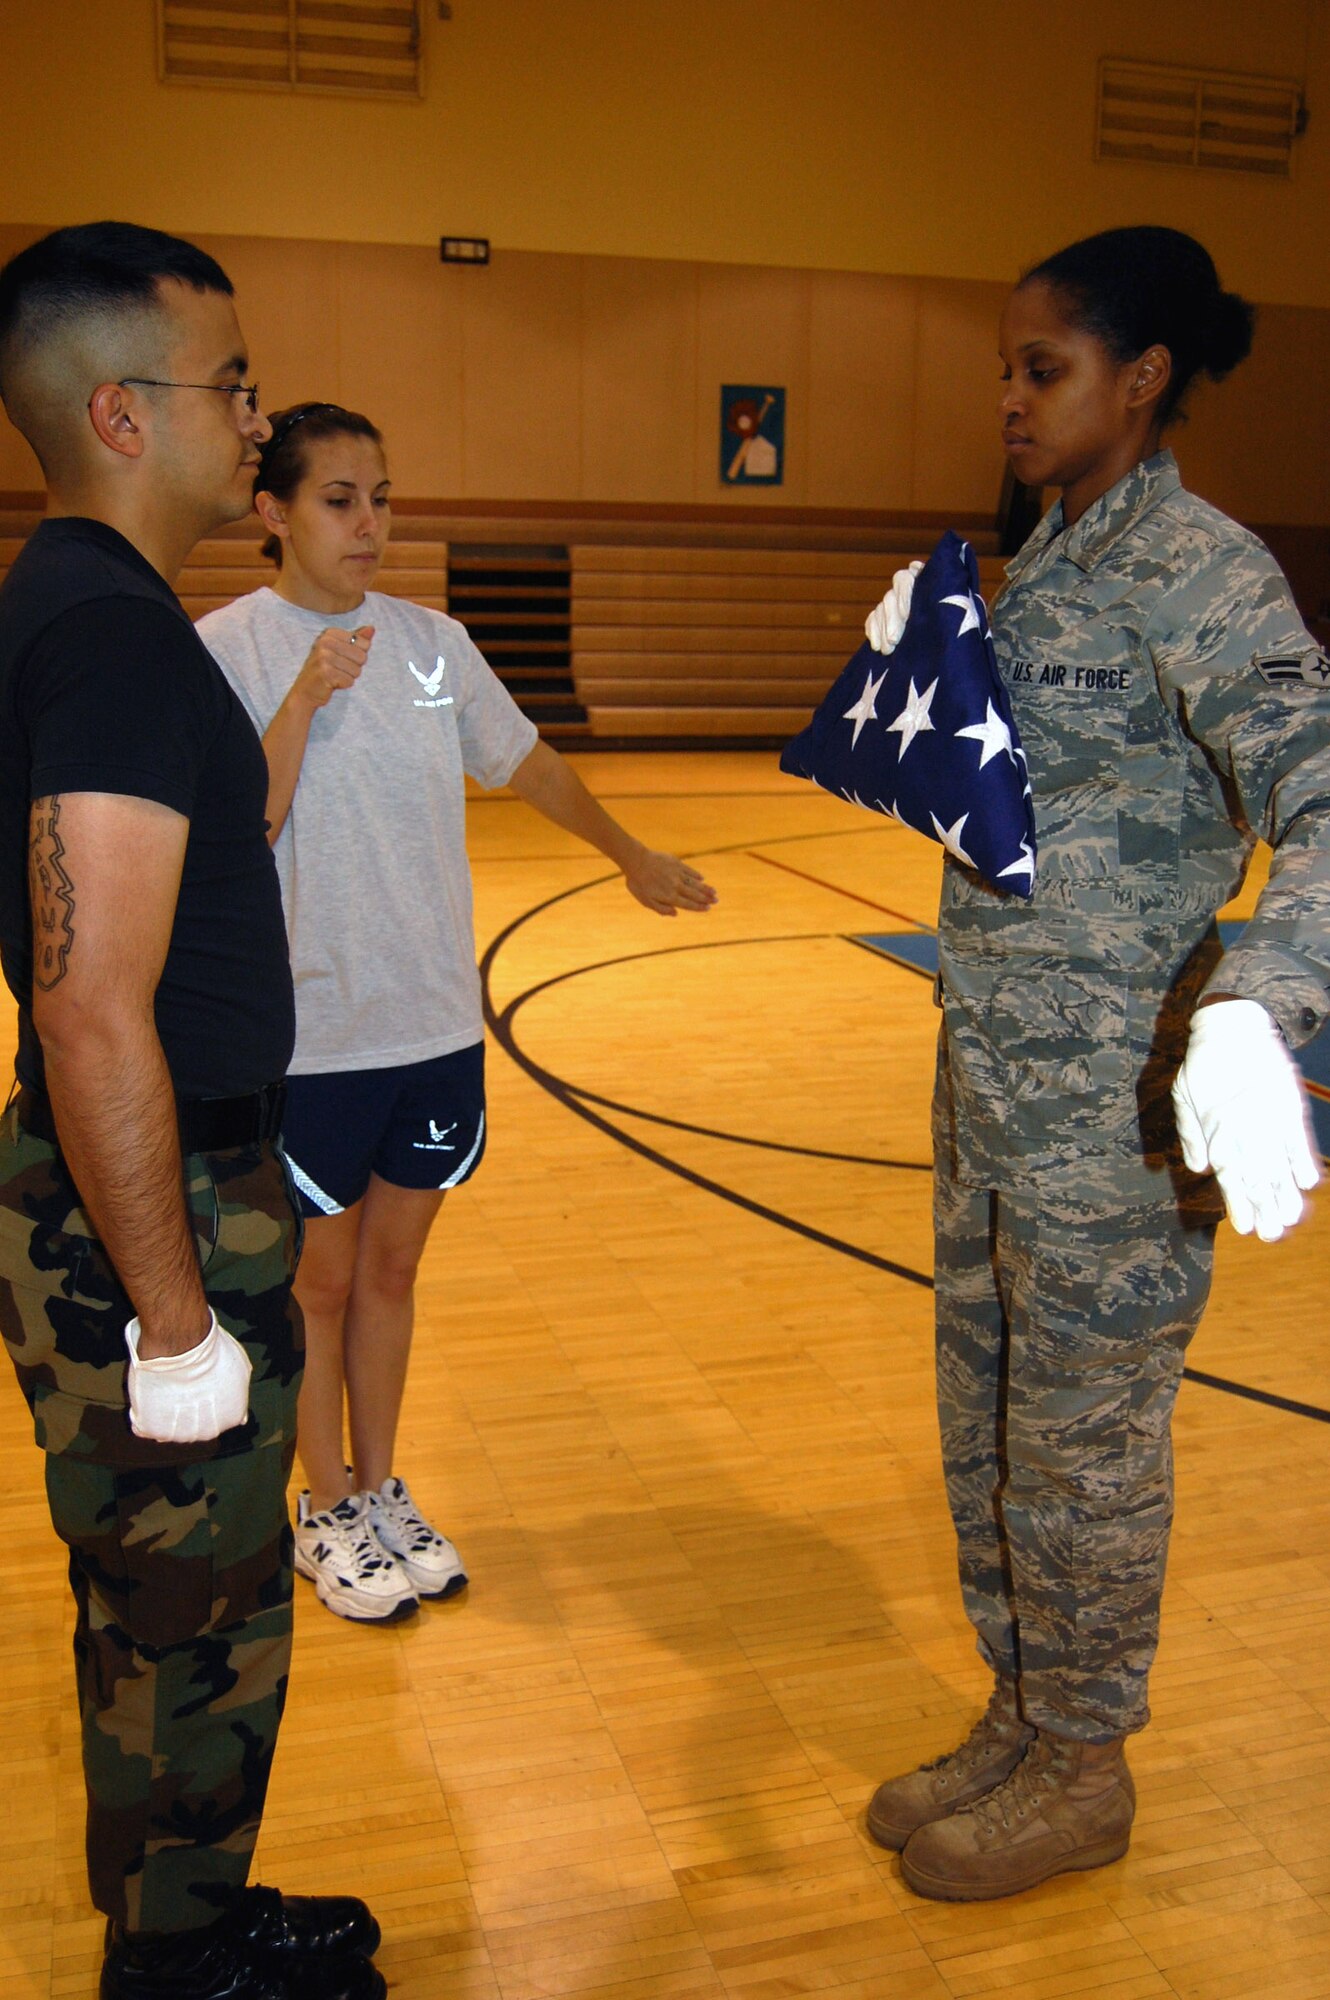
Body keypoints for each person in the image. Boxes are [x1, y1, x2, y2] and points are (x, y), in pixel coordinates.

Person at [860, 226, 1329, 1902]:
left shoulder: (1205, 571)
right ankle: (1024, 1715)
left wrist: (1259, 1001)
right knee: (990, 1426)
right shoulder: (1045, 558)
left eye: (1041, 368)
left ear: (1140, 379)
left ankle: (1085, 1769)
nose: (1009, 396)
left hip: (1118, 1120)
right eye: (1004, 366)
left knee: (1086, 1453)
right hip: (994, 1094)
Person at [0, 224, 386, 2000]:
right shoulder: (121, 647)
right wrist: (172, 1316)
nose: (255, 419)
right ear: (121, 414)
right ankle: (182, 1968)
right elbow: (89, 1003)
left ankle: (179, 1924)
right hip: (154, 1214)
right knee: (196, 1614)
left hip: (139, 1190)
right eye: (230, 385)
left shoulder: (71, 608)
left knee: (160, 1605)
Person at [197, 403, 717, 1624]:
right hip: (314, 1037)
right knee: (319, 1284)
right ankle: (323, 1505)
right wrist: (305, 697)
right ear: (273, 510)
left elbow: (526, 760)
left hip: (432, 1026)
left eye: (380, 496)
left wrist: (629, 852)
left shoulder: (433, 644)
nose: (369, 522)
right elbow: (241, 826)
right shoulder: (229, 649)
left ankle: (379, 1486)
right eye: (339, 498)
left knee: (391, 1269)